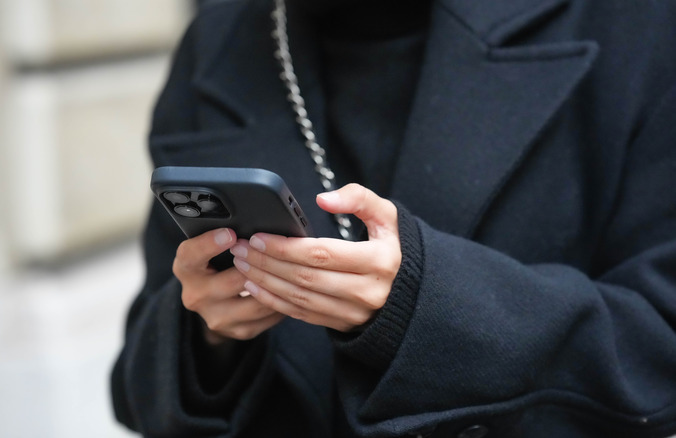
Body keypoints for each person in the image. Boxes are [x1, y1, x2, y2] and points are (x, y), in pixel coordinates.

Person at [111, 0, 676, 436]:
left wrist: (428, 310)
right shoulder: (216, 40)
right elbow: (136, 385)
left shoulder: (637, 23)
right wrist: (209, 337)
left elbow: (660, 344)